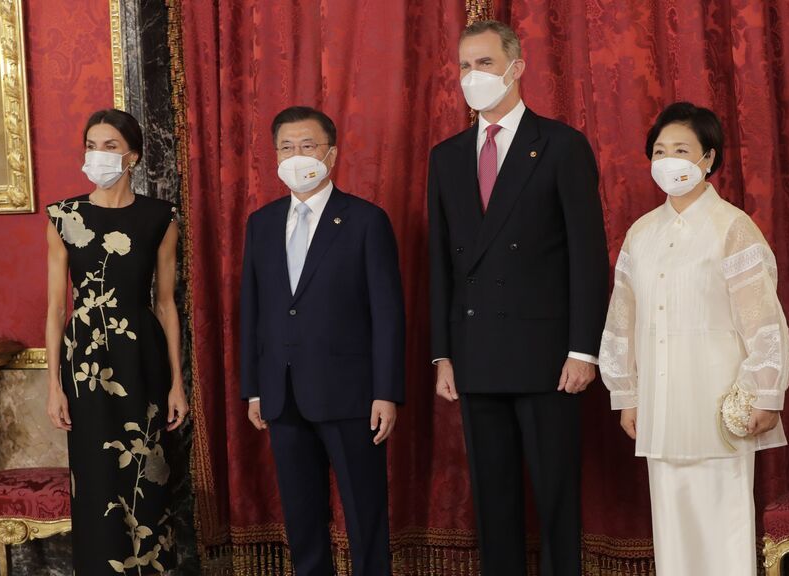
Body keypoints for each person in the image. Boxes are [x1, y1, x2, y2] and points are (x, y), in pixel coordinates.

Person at [427, 20, 608, 576]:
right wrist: (442, 353)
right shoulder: (447, 155)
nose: (472, 76)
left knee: (556, 498)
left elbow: (587, 254)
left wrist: (584, 349)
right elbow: (440, 263)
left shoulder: (560, 145)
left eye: (483, 63)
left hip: (548, 357)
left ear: (516, 67)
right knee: (492, 500)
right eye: (464, 66)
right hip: (476, 353)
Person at [599, 101, 789, 576]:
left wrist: (766, 393)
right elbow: (622, 320)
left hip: (718, 405)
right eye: (659, 150)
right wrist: (627, 394)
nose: (668, 160)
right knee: (672, 526)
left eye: (681, 149)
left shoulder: (732, 228)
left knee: (721, 524)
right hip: (660, 407)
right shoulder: (641, 234)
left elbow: (763, 319)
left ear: (708, 158)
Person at [240, 106, 405, 576]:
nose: (297, 156)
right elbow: (253, 310)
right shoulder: (262, 223)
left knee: (364, 514)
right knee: (302, 518)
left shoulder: (366, 220)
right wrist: (254, 386)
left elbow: (388, 315)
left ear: (330, 154)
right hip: (282, 393)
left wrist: (386, 392)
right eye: (287, 147)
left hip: (352, 395)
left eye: (307, 146)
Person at [45, 108, 188, 575]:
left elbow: (166, 303)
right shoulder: (64, 216)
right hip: (84, 361)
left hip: (140, 355)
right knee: (95, 478)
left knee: (148, 475)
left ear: (133, 156)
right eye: (91, 145)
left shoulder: (160, 217)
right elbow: (55, 310)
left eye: (109, 146)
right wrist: (53, 386)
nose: (97, 155)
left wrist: (177, 384)